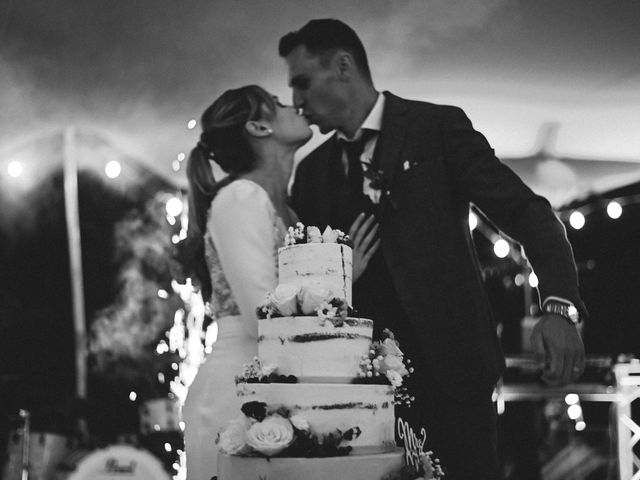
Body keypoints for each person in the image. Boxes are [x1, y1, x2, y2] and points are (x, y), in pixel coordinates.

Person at [278, 19, 587, 480]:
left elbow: (527, 212)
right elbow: (308, 289)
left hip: (455, 379)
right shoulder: (311, 173)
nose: (297, 102)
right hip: (359, 398)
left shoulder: (435, 127)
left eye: (302, 82)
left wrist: (559, 307)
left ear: (343, 66)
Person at [180, 85, 378, 480]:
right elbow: (262, 316)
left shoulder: (287, 209)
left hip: (281, 382)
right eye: (281, 104)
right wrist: (342, 276)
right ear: (258, 127)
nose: (297, 106)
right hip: (237, 392)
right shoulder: (239, 198)